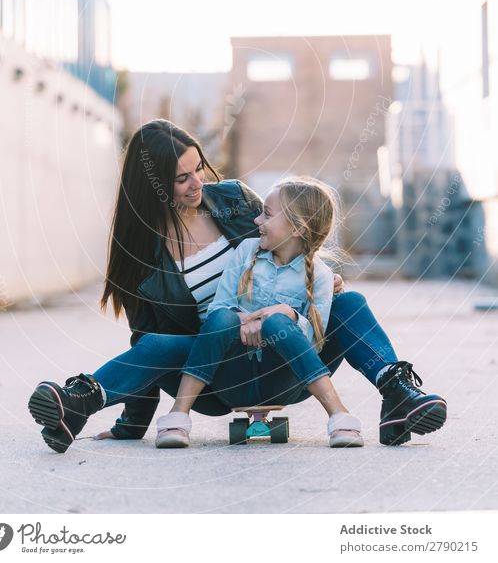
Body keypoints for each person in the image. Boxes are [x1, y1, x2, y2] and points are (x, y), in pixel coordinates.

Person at [28, 120, 447, 453]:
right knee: (156, 345)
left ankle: (398, 394)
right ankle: (79, 403)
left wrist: (315, 280)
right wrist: (132, 423)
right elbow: (146, 342)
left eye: (199, 168)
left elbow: (288, 238)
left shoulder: (232, 200)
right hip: (212, 373)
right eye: (181, 178)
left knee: (350, 302)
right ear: (151, 186)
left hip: (287, 356)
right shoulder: (138, 253)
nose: (197, 183)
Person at [156, 177, 363, 448]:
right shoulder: (245, 251)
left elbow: (313, 342)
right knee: (221, 319)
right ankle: (178, 417)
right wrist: (251, 320)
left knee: (278, 321)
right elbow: (219, 309)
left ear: (297, 229)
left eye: (266, 214)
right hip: (234, 367)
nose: (256, 221)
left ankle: (339, 416)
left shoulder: (321, 276)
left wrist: (286, 315)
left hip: (283, 373)